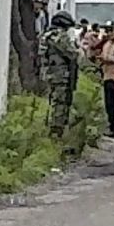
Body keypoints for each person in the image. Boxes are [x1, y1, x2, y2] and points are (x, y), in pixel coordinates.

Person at [40, 12, 83, 143]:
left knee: (52, 102)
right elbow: (72, 54)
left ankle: (51, 130)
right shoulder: (59, 36)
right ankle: (55, 133)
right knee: (60, 103)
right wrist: (79, 49)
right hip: (60, 76)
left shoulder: (47, 35)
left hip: (49, 74)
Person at [89, 24, 114, 137]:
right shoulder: (107, 44)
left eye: (111, 31)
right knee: (109, 105)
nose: (109, 34)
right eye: (107, 31)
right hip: (107, 76)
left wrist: (106, 59)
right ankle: (112, 127)